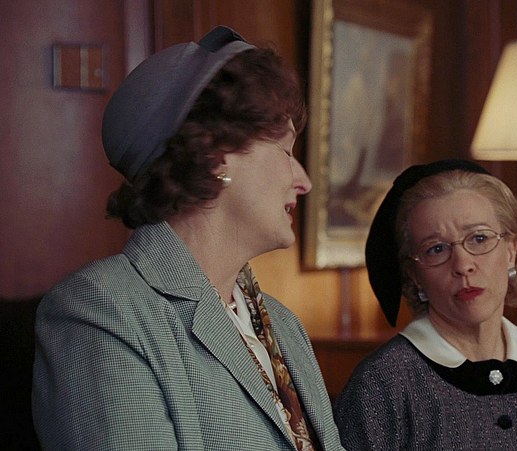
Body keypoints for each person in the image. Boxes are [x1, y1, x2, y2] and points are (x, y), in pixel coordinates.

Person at [32, 26, 344, 450]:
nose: (303, 181)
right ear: (215, 154)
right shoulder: (100, 311)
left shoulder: (284, 326)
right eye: (286, 151)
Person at [333, 159, 517, 450]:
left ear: (510, 251)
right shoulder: (382, 385)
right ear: (415, 275)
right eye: (436, 249)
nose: (462, 265)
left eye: (479, 238)